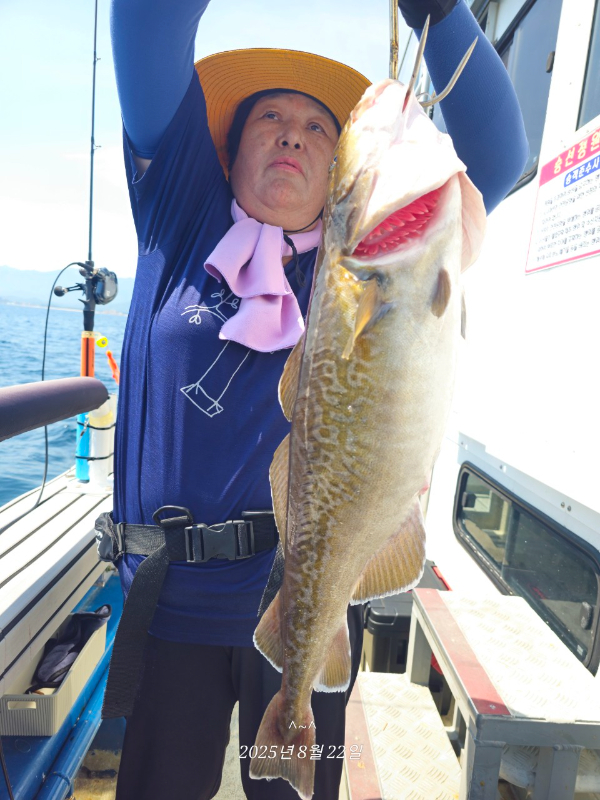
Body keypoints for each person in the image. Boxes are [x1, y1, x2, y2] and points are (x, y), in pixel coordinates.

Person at [99, 0, 528, 797]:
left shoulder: (365, 259)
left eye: (319, 127)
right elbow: (145, 23)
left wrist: (442, 16)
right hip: (172, 605)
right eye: (269, 118)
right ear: (225, 151)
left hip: (309, 596)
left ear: (339, 173)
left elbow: (500, 158)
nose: (293, 134)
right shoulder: (180, 212)